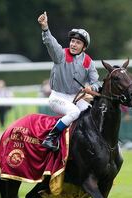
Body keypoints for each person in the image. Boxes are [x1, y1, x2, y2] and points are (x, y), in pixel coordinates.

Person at [37, 11, 101, 151]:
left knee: (91, 113)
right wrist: (45, 28)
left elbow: (96, 82)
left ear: (84, 47)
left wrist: (92, 88)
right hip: (57, 97)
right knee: (74, 113)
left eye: (78, 42)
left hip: (76, 97)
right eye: (72, 41)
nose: (73, 44)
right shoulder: (60, 55)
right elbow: (50, 43)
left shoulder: (88, 62)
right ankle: (50, 138)